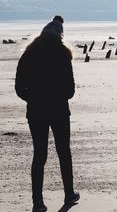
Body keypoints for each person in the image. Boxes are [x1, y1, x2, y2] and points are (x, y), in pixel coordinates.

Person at [15, 15, 80, 212]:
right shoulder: (62, 54)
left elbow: (19, 87)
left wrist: (32, 98)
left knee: (39, 155)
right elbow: (70, 90)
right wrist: (58, 96)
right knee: (64, 152)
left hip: (35, 111)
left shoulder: (29, 53)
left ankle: (37, 202)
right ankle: (69, 194)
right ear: (60, 35)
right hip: (59, 110)